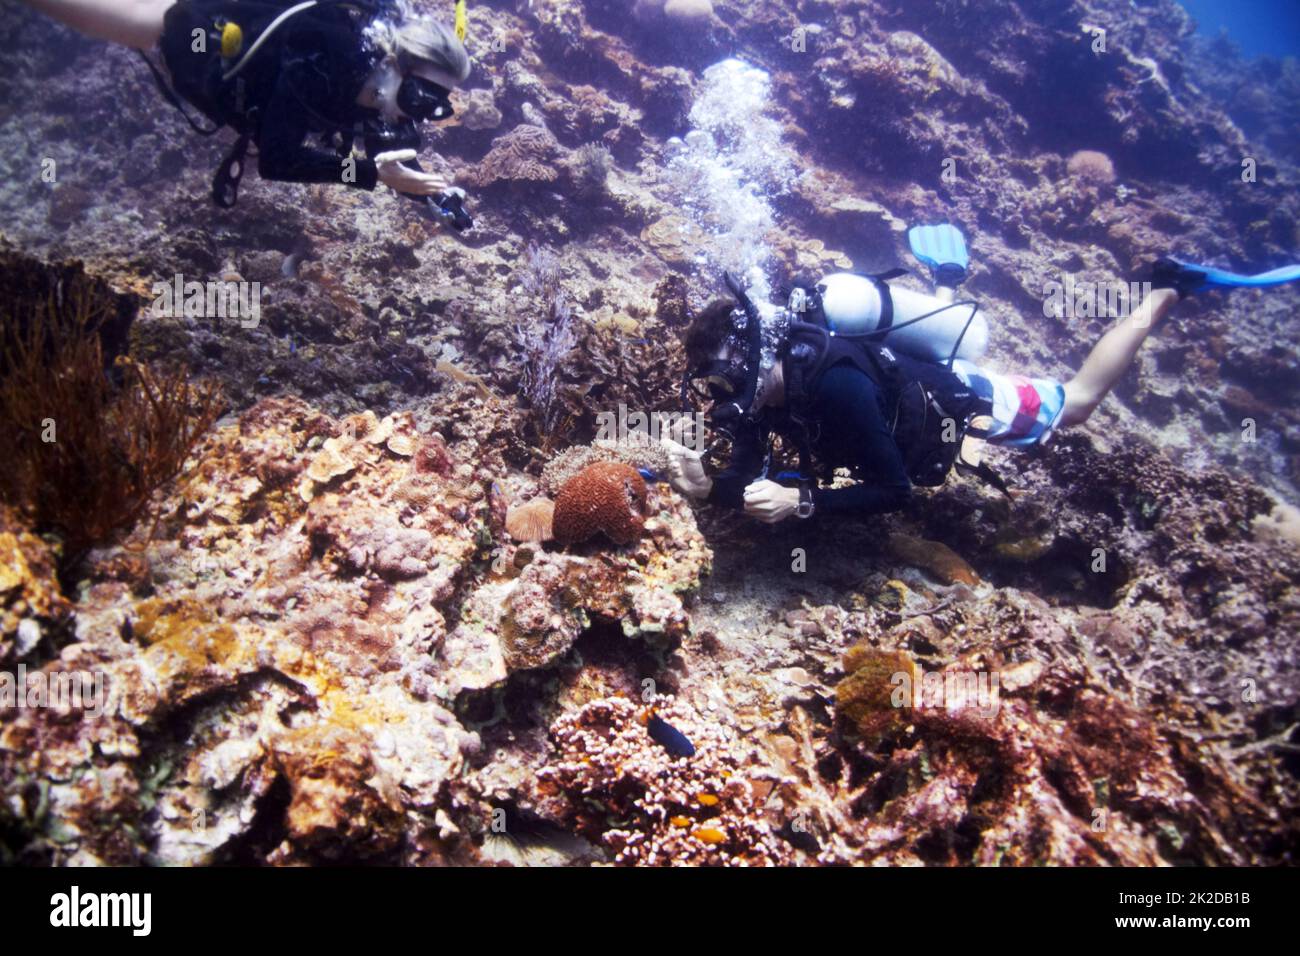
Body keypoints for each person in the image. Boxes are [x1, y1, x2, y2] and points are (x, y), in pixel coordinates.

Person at [664, 241, 1296, 525]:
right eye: (714, 385)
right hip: (895, 384)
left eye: (724, 378)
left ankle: (1166, 289)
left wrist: (803, 503)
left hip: (952, 394)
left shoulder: (835, 386)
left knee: (1077, 404)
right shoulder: (759, 389)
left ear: (759, 354)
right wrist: (709, 490)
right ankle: (944, 283)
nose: (723, 398)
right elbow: (747, 479)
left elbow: (895, 490)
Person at [22, 0, 471, 212]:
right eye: (416, 99)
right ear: (392, 64)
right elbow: (278, 159)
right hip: (183, 34)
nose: (412, 117)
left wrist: (434, 197)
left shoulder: (379, 94)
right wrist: (372, 175)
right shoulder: (323, 62)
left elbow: (388, 154)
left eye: (433, 107)